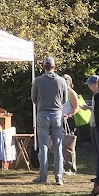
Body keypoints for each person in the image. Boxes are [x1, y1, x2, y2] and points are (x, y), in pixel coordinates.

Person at [31, 56, 68, 185]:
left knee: (43, 146)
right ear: (54, 66)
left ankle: (43, 176)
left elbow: (34, 99)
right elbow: (65, 99)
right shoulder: (62, 80)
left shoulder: (38, 81)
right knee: (58, 147)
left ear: (44, 66)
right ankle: (58, 177)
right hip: (57, 114)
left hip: (43, 114)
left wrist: (42, 104)